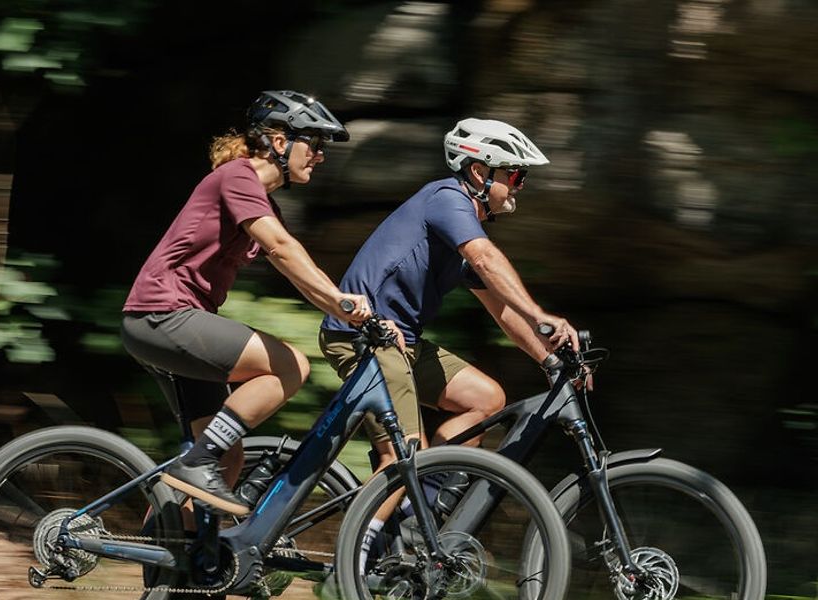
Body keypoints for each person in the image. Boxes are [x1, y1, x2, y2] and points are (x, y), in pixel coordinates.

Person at [121, 90, 371, 517]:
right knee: (291, 365)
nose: (320, 156)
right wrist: (339, 300)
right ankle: (196, 463)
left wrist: (342, 311)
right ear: (279, 142)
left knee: (229, 459)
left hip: (175, 321)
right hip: (162, 313)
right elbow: (280, 247)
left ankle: (175, 570)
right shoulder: (238, 177)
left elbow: (294, 271)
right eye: (315, 143)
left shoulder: (260, 198)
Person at [319, 117, 580, 524]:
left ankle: (413, 517)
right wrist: (543, 315)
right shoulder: (446, 198)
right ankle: (355, 558)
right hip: (362, 335)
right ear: (479, 170)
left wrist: (550, 361)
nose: (518, 185)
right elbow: (487, 259)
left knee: (486, 399)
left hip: (402, 343)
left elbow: (503, 311)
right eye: (514, 174)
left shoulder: (462, 228)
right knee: (405, 453)